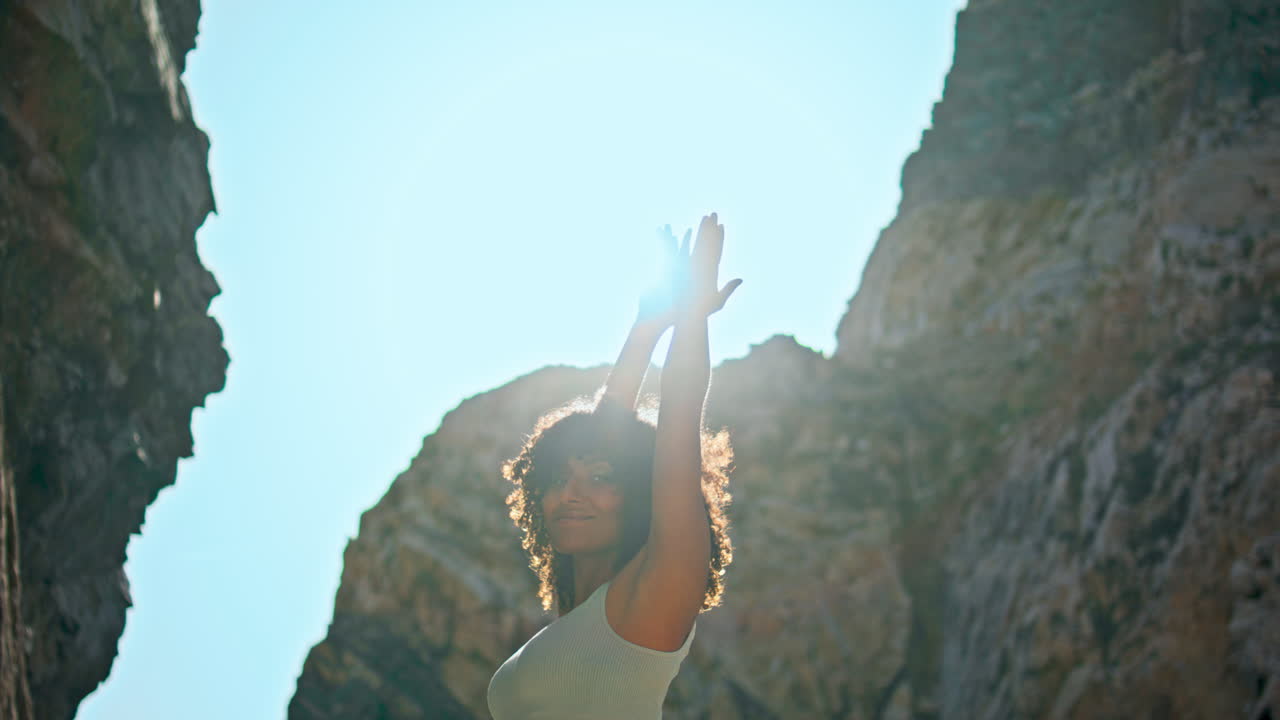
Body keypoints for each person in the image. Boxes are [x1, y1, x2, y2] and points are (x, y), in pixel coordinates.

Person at [487, 212, 742, 719]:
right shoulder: (578, 617)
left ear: (640, 494)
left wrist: (691, 318)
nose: (571, 493)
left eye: (601, 479)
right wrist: (644, 331)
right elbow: (601, 433)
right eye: (559, 479)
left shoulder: (653, 596)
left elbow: (679, 418)